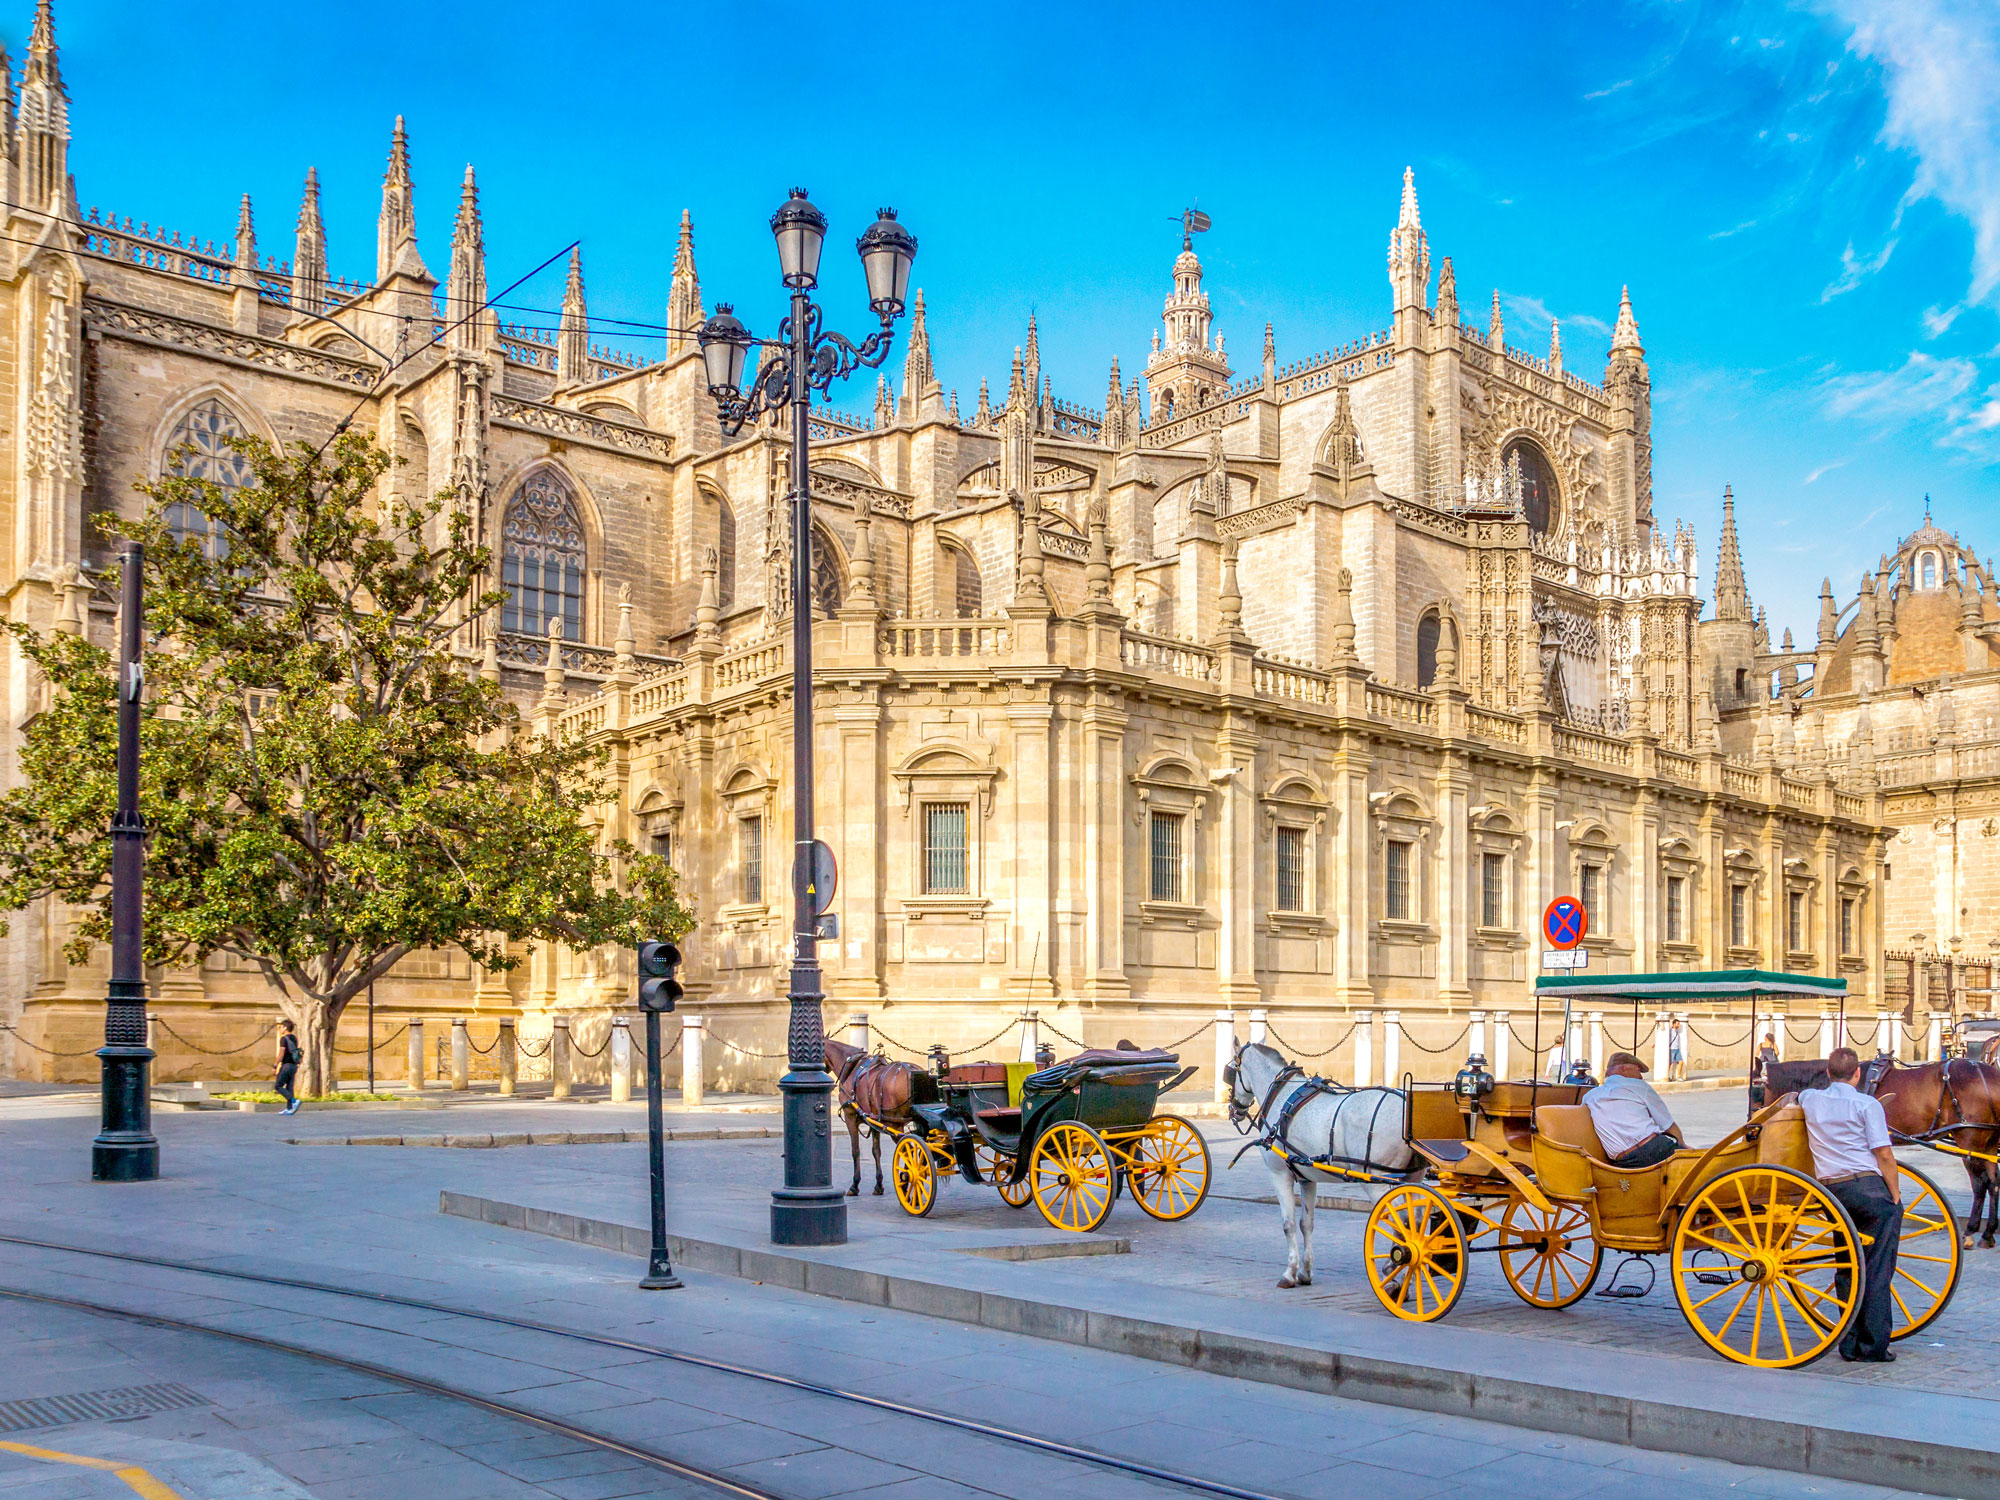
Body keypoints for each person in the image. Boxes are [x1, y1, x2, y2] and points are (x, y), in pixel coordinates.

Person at [1799, 1046, 1901, 1363]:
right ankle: (1873, 1346)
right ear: (1858, 1074)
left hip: (1831, 1193)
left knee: (1848, 1266)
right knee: (1877, 1269)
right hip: (1867, 1189)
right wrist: (1895, 1196)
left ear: (1828, 1074)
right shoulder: (1866, 1104)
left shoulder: (1810, 1099)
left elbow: (1791, 1099)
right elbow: (1883, 1154)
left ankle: (1849, 1342)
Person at [1582, 1051, 1684, 1168]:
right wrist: (1684, 1149)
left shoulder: (1590, 1096)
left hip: (1624, 1160)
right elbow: (1668, 1125)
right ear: (1623, 1068)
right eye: (1638, 1070)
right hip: (1654, 1148)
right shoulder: (1638, 1085)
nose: (1641, 1076)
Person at [274, 1019, 302, 1116]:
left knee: (278, 1086)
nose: (280, 1029)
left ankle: (294, 1101)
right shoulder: (294, 1038)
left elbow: (281, 1053)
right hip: (294, 1065)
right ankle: (289, 1108)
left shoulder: (283, 1038)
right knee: (289, 1087)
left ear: (285, 1028)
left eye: (281, 1027)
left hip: (286, 1065)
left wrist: (275, 1065)